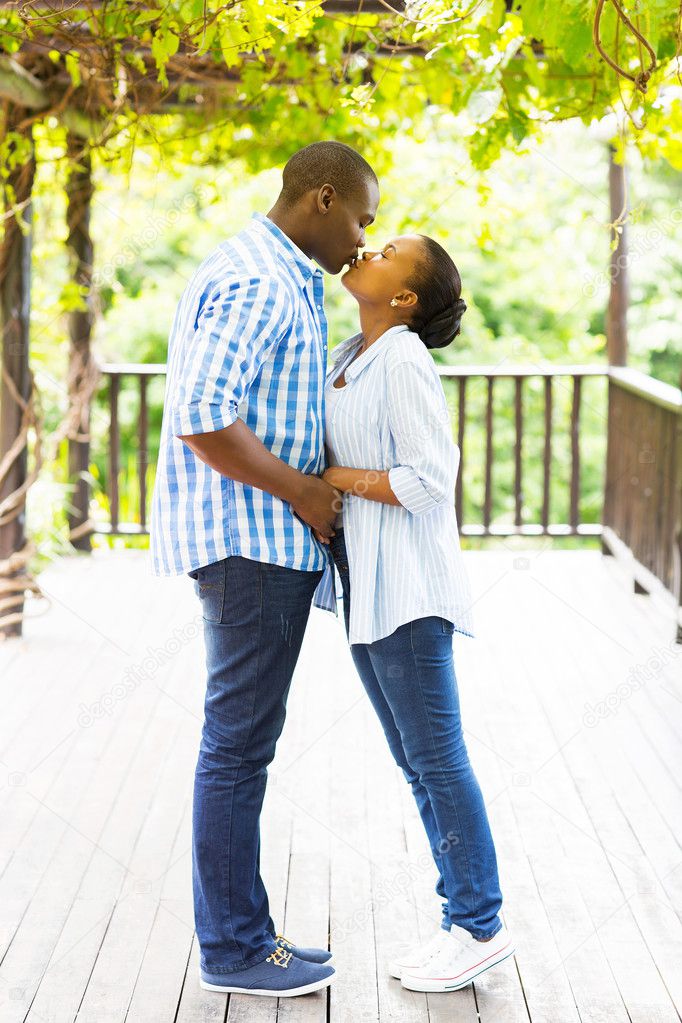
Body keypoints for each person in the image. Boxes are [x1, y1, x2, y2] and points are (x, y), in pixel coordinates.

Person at [149, 141, 379, 998]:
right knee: (237, 750)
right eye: (361, 217)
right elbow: (204, 417)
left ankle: (245, 932)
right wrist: (307, 495)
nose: (363, 239)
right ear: (322, 198)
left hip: (257, 543)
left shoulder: (277, 270)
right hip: (251, 544)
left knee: (241, 747)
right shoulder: (260, 278)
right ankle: (235, 947)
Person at [314, 234, 516, 993]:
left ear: (404, 299)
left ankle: (480, 925)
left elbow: (430, 477)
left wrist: (333, 477)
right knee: (418, 765)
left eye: (389, 250)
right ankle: (462, 921)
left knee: (437, 761)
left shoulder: (400, 357)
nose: (368, 246)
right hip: (368, 592)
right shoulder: (348, 355)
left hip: (408, 593)